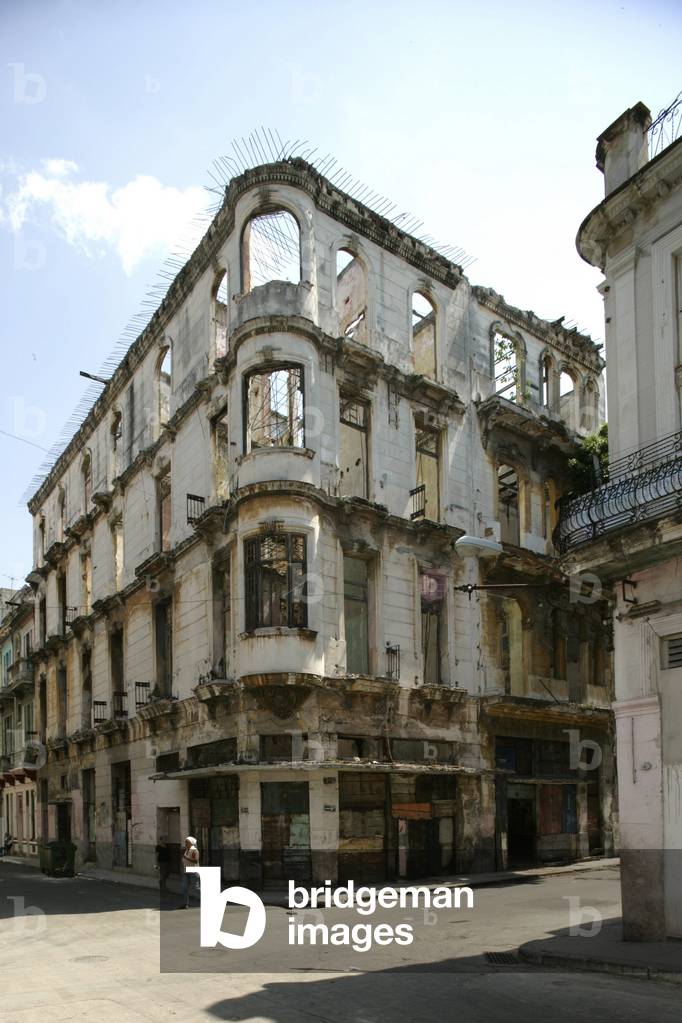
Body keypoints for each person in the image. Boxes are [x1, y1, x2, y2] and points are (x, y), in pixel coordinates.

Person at [180, 835, 199, 908]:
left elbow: (195, 861)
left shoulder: (195, 851)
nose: (185, 843)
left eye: (187, 842)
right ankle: (185, 904)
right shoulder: (187, 851)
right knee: (184, 888)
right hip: (186, 872)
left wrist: (186, 858)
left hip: (193, 872)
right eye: (185, 842)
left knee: (196, 888)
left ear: (191, 843)